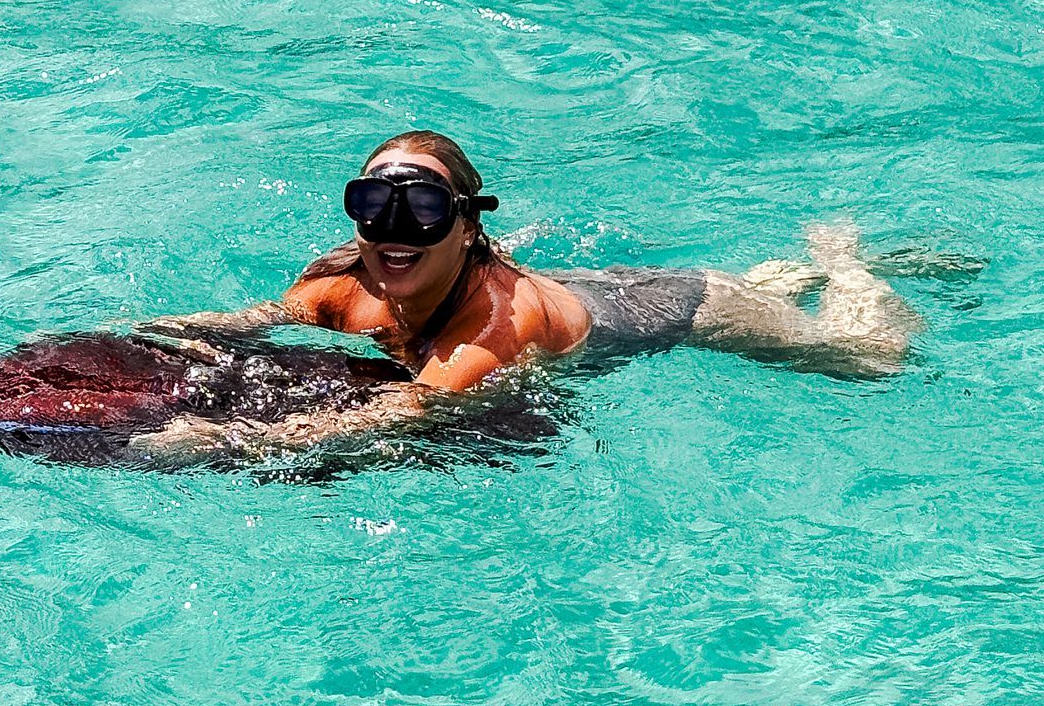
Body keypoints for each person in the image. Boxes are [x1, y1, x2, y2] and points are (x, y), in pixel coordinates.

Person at [132, 130, 922, 462]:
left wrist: (229, 441)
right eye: (374, 205)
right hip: (586, 291)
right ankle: (785, 276)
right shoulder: (342, 281)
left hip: (679, 310)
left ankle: (844, 264)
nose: (395, 230)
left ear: (467, 225)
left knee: (864, 357)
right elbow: (244, 323)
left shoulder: (492, 332)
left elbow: (401, 412)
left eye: (424, 209)